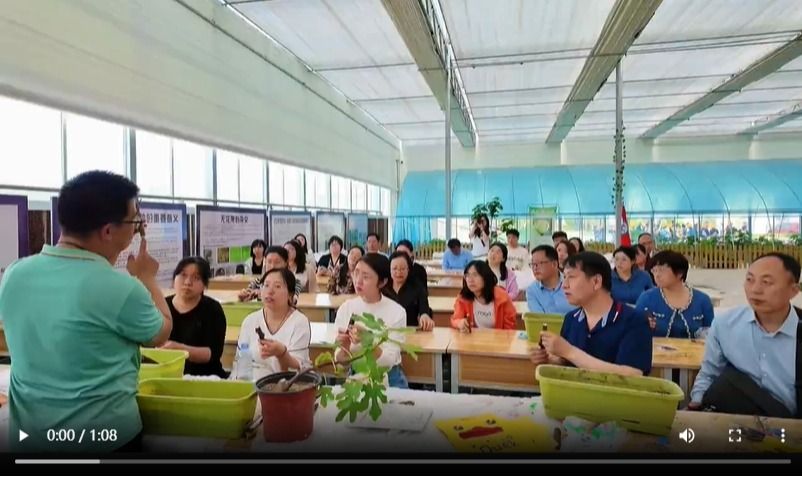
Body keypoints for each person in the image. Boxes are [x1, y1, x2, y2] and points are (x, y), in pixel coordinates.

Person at [0, 171, 172, 453]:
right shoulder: (120, 288)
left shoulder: (14, 274)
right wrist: (147, 278)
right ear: (108, 231)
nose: (138, 228)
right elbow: (161, 332)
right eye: (134, 221)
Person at [689, 253, 801, 417]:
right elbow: (709, 373)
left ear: (793, 291)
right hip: (735, 420)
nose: (755, 289)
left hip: (791, 424)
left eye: (766, 282)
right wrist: (697, 404)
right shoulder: (725, 324)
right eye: (750, 279)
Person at [529, 252, 652, 377]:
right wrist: (551, 360)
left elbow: (634, 374)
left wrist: (569, 352)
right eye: (564, 277)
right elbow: (570, 363)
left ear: (596, 281)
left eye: (571, 277)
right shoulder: (571, 319)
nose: (564, 285)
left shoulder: (634, 321)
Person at [334, 254, 408, 388]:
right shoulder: (346, 308)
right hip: (357, 375)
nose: (358, 281)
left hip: (389, 377)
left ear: (382, 282)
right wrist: (344, 349)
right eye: (356, 273)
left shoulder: (397, 312)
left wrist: (368, 342)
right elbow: (341, 362)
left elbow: (388, 362)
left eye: (366, 277)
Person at [231, 268, 311, 382]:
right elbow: (240, 363)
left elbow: (297, 370)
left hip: (287, 386)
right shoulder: (250, 321)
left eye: (277, 286)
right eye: (266, 285)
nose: (270, 291)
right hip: (251, 384)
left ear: (290, 294)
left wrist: (282, 353)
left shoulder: (299, 322)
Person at [165, 257, 227, 378]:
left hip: (205, 378)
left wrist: (180, 350)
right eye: (183, 275)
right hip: (166, 376)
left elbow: (213, 353)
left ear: (204, 285)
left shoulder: (212, 309)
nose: (188, 282)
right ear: (174, 279)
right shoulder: (162, 306)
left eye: (196, 278)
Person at [635, 251, 714, 339]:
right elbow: (635, 331)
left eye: (662, 270)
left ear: (679, 273)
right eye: (654, 270)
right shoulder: (647, 298)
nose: (657, 275)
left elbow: (711, 334)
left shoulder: (702, 300)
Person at [450, 260, 517, 331]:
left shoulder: (503, 297)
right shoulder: (463, 297)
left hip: (499, 337)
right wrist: (459, 323)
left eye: (475, 275)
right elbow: (455, 319)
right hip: (473, 337)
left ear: (485, 277)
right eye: (467, 275)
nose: (470, 280)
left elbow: (509, 327)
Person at [383, 252, 434, 331]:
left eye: (402, 269)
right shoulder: (383, 288)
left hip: (410, 331)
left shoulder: (417, 287)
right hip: (386, 331)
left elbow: (424, 308)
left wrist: (424, 316)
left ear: (408, 269)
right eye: (395, 269)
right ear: (389, 269)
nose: (398, 272)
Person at [526, 245, 573, 315]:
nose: (535, 268)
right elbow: (539, 318)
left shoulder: (572, 283)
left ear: (554, 264)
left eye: (540, 263)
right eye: (533, 264)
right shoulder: (532, 290)